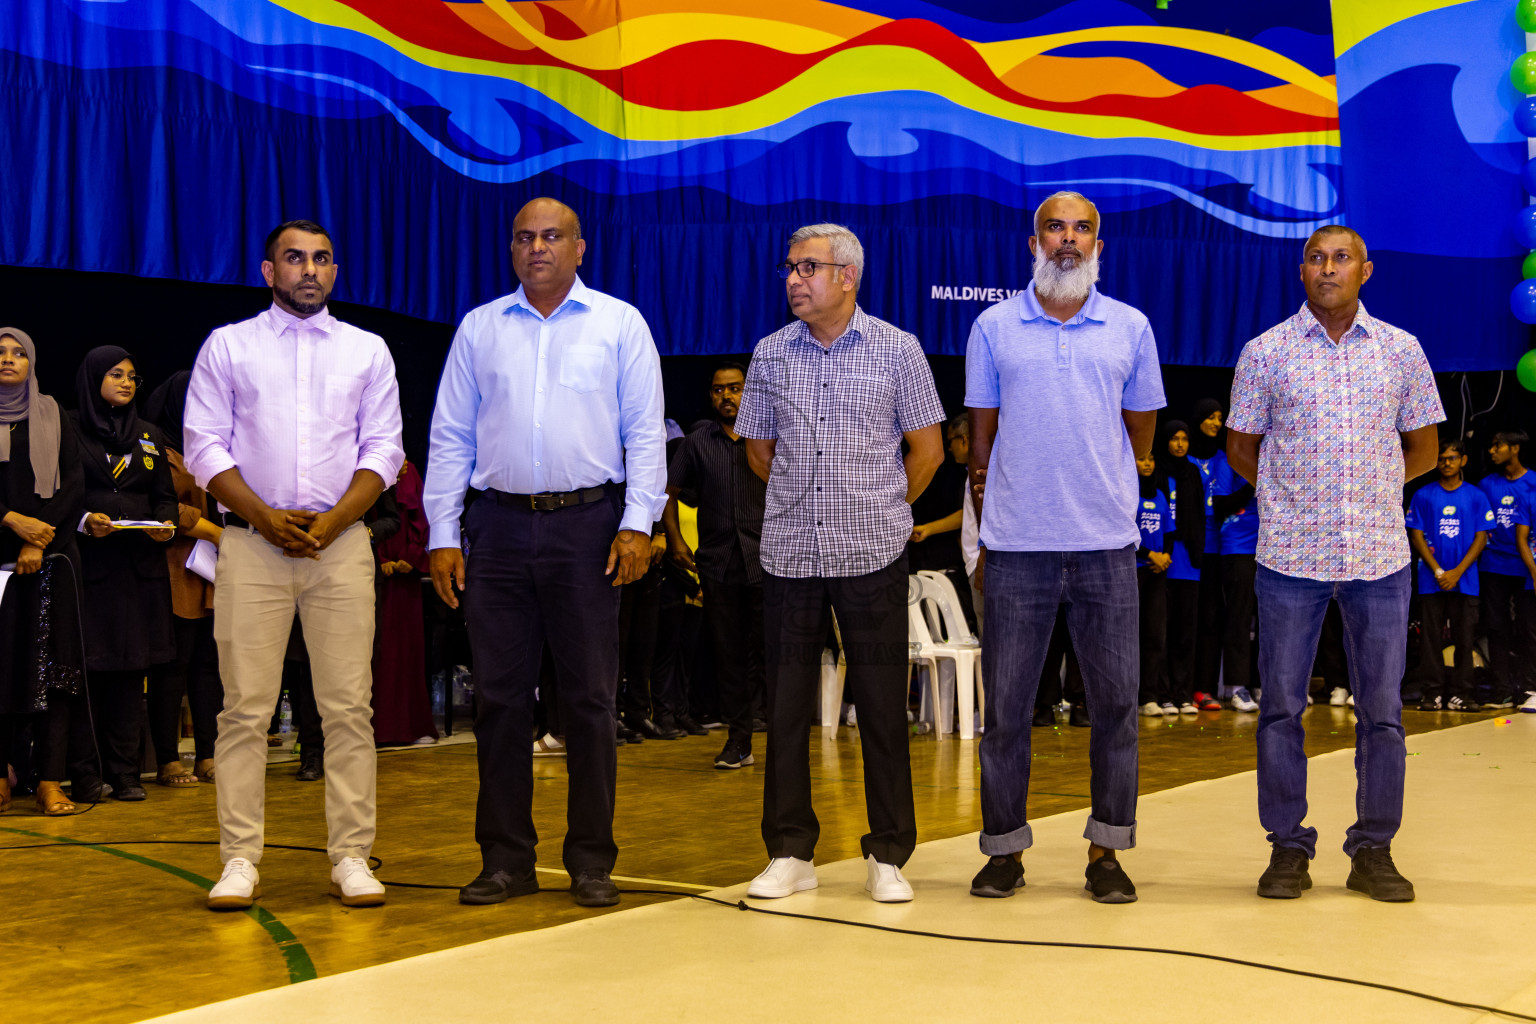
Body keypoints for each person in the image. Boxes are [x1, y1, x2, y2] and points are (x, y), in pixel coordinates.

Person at [424, 198, 666, 909]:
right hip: (496, 531)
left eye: (552, 236)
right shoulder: (479, 329)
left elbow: (646, 434)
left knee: (589, 700)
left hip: (589, 528)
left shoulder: (619, 324)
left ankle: (591, 859)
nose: (538, 247)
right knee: (498, 701)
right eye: (525, 237)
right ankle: (506, 860)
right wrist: (443, 533)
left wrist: (638, 522)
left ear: (580, 249)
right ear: (511, 249)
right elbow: (449, 438)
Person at [184, 218, 405, 911]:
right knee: (244, 711)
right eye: (295, 258)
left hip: (340, 547)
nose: (309, 269)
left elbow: (384, 452)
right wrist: (263, 517)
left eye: (322, 259)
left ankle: (350, 856)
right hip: (252, 545)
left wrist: (333, 522)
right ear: (268, 270)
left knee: (348, 709)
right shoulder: (229, 346)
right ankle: (240, 860)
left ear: (333, 270)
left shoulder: (367, 351)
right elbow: (204, 447)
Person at [1227, 224, 1442, 903]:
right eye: (1316, 258)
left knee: (1382, 711)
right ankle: (1287, 848)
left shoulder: (1402, 351)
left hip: (1378, 557)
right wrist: (1287, 497)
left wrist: (1373, 494)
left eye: (1341, 258)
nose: (1328, 268)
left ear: (1365, 271)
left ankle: (1373, 849)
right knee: (1282, 710)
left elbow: (1427, 450)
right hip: (1288, 556)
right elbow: (1241, 447)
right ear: (1301, 271)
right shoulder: (1266, 352)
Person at [736, 222, 945, 904]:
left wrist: (880, 505)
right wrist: (807, 500)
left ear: (847, 276)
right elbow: (758, 452)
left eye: (808, 267)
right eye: (790, 267)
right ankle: (790, 851)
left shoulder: (898, 351)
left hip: (872, 552)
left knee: (883, 708)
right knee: (788, 710)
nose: (794, 279)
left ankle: (887, 853)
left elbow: (929, 452)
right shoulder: (770, 354)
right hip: (792, 554)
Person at [966, 190, 1164, 904]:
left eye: (1083, 229)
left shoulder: (1131, 328)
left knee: (1115, 708)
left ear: (1099, 248)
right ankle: (1003, 851)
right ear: (1034, 243)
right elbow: (980, 446)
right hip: (1016, 549)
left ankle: (1107, 851)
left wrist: (1103, 489)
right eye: (1056, 228)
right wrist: (988, 532)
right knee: (1008, 714)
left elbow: (1139, 435)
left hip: (1107, 549)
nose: (1069, 240)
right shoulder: (993, 327)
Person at [70, 346, 178, 804]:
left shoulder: (149, 435)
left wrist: (165, 525)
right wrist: (83, 519)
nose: (127, 383)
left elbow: (165, 498)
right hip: (91, 571)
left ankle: (127, 773)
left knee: (132, 675)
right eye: (116, 374)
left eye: (133, 376)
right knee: (89, 674)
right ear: (94, 377)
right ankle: (87, 775)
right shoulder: (69, 428)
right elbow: (57, 493)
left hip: (139, 573)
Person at [0, 328, 87, 816]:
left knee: (57, 673)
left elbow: (74, 482)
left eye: (19, 354)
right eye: (1, 353)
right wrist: (12, 523)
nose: (10, 360)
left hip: (53, 560)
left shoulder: (53, 414)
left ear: (32, 363)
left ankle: (50, 780)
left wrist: (38, 538)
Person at [664, 361, 768, 769]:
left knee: (773, 654)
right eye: (719, 390)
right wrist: (674, 539)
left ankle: (779, 740)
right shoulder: (696, 441)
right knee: (728, 656)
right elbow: (668, 492)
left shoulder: (769, 435)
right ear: (710, 396)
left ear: (749, 391)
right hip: (718, 562)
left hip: (769, 560)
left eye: (735, 388)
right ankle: (738, 741)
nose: (727, 396)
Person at [144, 371, 224, 786]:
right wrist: (214, 533)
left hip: (215, 573)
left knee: (209, 668)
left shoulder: (212, 447)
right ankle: (167, 760)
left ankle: (208, 754)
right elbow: (158, 505)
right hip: (175, 570)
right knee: (172, 668)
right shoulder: (155, 447)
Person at [1406, 439, 1493, 712]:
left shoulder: (1476, 495)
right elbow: (1416, 535)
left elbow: (1482, 537)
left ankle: (1462, 694)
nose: (1446, 463)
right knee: (1430, 639)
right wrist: (1438, 570)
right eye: (1442, 458)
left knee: (1464, 639)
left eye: (1452, 458)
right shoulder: (1423, 494)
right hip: (1432, 579)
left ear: (1463, 461)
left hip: (1465, 580)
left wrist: (1457, 572)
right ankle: (1431, 693)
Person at [371, 461, 437, 746]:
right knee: (374, 650)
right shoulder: (364, 467)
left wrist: (411, 556)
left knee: (406, 650)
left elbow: (422, 517)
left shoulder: (410, 472)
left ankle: (407, 726)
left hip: (405, 578)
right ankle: (374, 728)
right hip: (370, 569)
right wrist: (380, 559)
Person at [1477, 431, 1536, 711]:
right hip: (1494, 565)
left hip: (1526, 568)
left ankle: (1528, 688)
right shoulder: (1486, 485)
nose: (1492, 451)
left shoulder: (1533, 482)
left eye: (1497, 445)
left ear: (1515, 449)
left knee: (1528, 629)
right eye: (1491, 445)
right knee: (1496, 628)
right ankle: (1501, 690)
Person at [1157, 420, 1207, 715]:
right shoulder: (1157, 470)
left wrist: (1197, 552)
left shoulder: (1192, 473)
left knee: (1185, 632)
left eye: (1184, 439)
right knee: (1160, 632)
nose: (1179, 444)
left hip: (1187, 560)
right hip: (1161, 560)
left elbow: (1199, 516)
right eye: (1174, 438)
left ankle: (1183, 693)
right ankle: (1161, 693)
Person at [1211, 444, 1261, 715]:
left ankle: (1261, 682)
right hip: (1237, 547)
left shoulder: (1274, 456)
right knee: (1239, 620)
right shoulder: (1229, 461)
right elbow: (1220, 506)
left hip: (1270, 549)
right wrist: (1254, 482)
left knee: (1269, 621)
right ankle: (1237, 686)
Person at [1187, 398, 1227, 711]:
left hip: (1216, 550)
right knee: (1184, 622)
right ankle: (1178, 688)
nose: (1216, 423)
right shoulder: (1182, 456)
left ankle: (1205, 688)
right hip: (1185, 551)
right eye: (1210, 417)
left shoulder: (1226, 459)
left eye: (1219, 418)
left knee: (1212, 621)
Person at [1134, 451, 1172, 717]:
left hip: (1157, 573)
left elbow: (1169, 531)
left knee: (1154, 635)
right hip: (1134, 570)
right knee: (1131, 636)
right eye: (1142, 459)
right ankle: (1128, 696)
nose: (1147, 463)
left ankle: (1149, 696)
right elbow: (1125, 532)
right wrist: (1150, 555)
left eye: (1151, 458)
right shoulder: (1128, 493)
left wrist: (1165, 557)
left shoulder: (1159, 495)